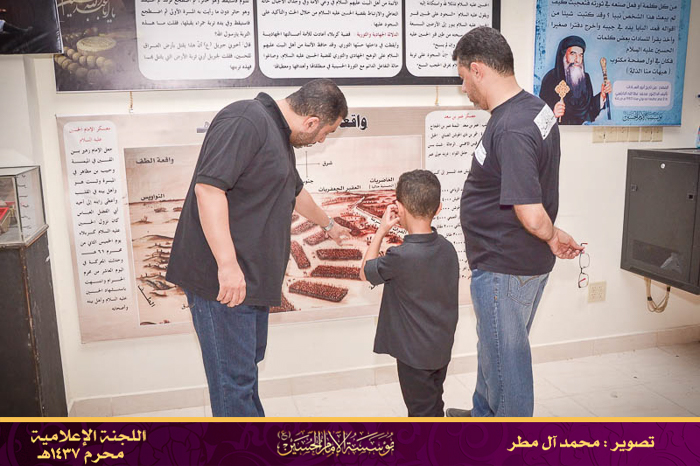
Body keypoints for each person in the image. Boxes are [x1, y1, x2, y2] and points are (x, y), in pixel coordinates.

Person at [166, 79, 351, 417]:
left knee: (244, 377)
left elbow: (296, 192)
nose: (322, 140)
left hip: (250, 284)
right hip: (224, 286)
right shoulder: (245, 120)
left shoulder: (278, 135)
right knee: (233, 385)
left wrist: (329, 226)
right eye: (326, 132)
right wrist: (227, 266)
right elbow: (208, 190)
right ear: (311, 122)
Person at [446, 27, 584, 417]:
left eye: (463, 78)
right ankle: (482, 417)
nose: (464, 88)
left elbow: (530, 213)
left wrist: (552, 235)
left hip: (505, 267)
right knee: (494, 348)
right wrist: (551, 236)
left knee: (507, 366)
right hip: (517, 261)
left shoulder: (511, 127)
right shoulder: (534, 108)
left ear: (477, 70)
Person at [360, 170, 459, 417]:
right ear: (438, 209)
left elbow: (365, 272)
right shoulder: (448, 249)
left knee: (420, 412)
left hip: (414, 355)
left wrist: (381, 230)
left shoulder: (401, 257)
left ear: (400, 209)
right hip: (440, 348)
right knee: (433, 402)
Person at [539, 35, 612, 125]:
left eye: (581, 55)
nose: (578, 60)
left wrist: (602, 95)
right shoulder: (550, 78)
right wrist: (553, 114)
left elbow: (590, 112)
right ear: (563, 55)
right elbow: (540, 117)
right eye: (573, 54)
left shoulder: (585, 78)